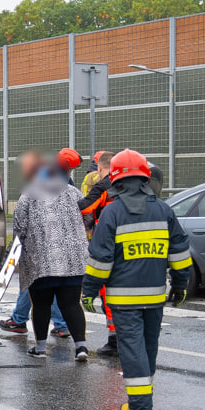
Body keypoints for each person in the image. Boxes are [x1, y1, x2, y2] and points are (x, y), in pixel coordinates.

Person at [81, 149, 191, 410]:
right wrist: (180, 285)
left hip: (123, 300)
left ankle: (140, 405)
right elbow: (179, 252)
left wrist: (89, 291)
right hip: (155, 297)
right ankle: (144, 395)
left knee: (132, 349)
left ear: (115, 179)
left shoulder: (111, 213)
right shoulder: (164, 210)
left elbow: (100, 260)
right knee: (149, 346)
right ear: (145, 177)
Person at [13, 151, 89, 360]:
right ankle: (81, 347)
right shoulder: (73, 193)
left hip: (41, 262)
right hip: (72, 262)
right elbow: (88, 217)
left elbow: (19, 225)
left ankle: (40, 348)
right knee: (72, 303)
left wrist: (20, 248)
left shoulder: (29, 193)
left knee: (42, 305)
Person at [78, 151, 118, 356]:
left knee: (107, 291)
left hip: (107, 245)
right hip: (134, 247)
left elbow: (84, 208)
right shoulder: (140, 185)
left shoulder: (104, 186)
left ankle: (115, 339)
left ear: (100, 168)